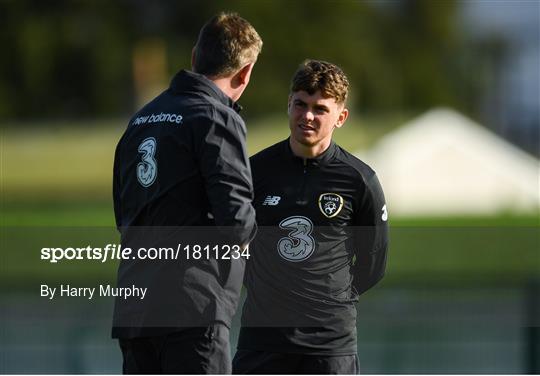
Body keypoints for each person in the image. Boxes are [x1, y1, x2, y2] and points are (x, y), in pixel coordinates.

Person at [112, 12, 262, 374]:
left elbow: (123, 213)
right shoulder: (216, 117)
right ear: (245, 73)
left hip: (135, 306)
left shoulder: (141, 120)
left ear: (195, 57)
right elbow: (237, 223)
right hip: (192, 307)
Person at [233, 60, 388, 374]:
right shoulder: (253, 172)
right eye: (300, 105)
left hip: (329, 345)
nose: (307, 116)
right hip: (262, 341)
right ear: (288, 105)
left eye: (320, 109)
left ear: (340, 117)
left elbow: (373, 264)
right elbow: (230, 243)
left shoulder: (359, 180)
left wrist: (330, 298)